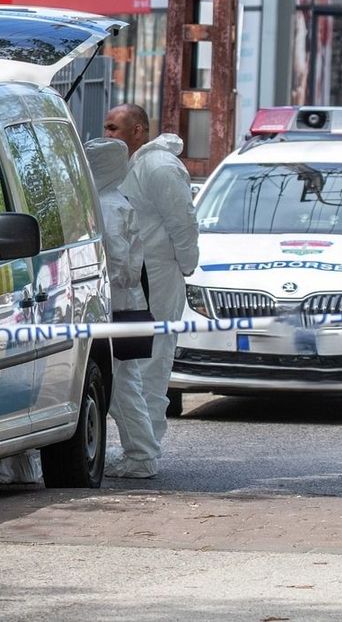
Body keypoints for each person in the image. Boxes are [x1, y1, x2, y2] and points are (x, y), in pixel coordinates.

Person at [103, 104, 199, 466]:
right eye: (107, 128)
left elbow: (183, 222)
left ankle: (145, 452)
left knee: (152, 364)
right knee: (134, 364)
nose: (108, 134)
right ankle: (140, 447)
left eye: (114, 128)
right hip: (138, 279)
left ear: (139, 130)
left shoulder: (158, 167)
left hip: (159, 277)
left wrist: (186, 266)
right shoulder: (133, 166)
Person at [85, 137, 158, 478]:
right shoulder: (116, 200)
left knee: (121, 387)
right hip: (124, 304)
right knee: (126, 382)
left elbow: (115, 261)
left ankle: (141, 456)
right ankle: (141, 451)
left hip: (113, 305)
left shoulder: (106, 206)